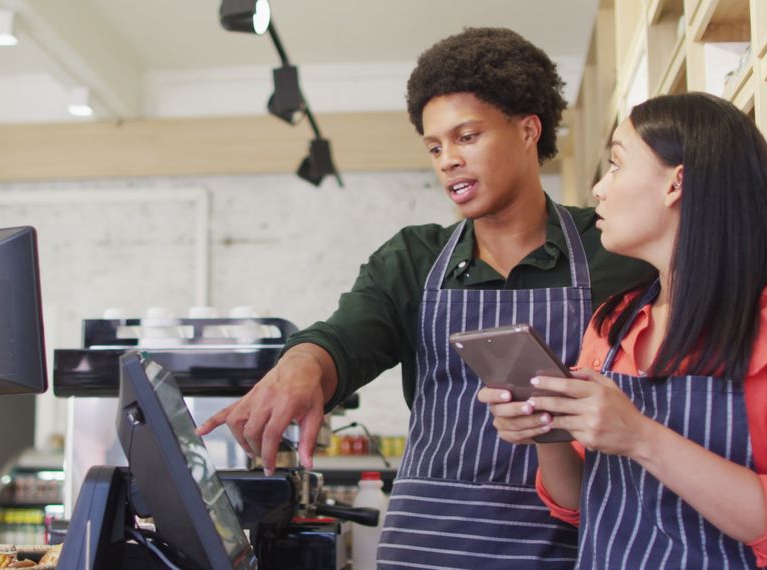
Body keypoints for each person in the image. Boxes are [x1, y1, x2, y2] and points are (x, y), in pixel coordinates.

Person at [198, 27, 651, 567]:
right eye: (435, 146)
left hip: (567, 544)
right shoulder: (413, 260)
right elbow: (343, 338)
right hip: (425, 547)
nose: (447, 161)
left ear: (529, 129)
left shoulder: (613, 253)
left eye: (467, 137)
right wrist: (301, 364)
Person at [481, 92, 767, 568]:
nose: (598, 188)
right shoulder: (614, 324)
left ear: (676, 184)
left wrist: (640, 436)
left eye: (616, 165)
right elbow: (579, 505)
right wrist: (545, 432)